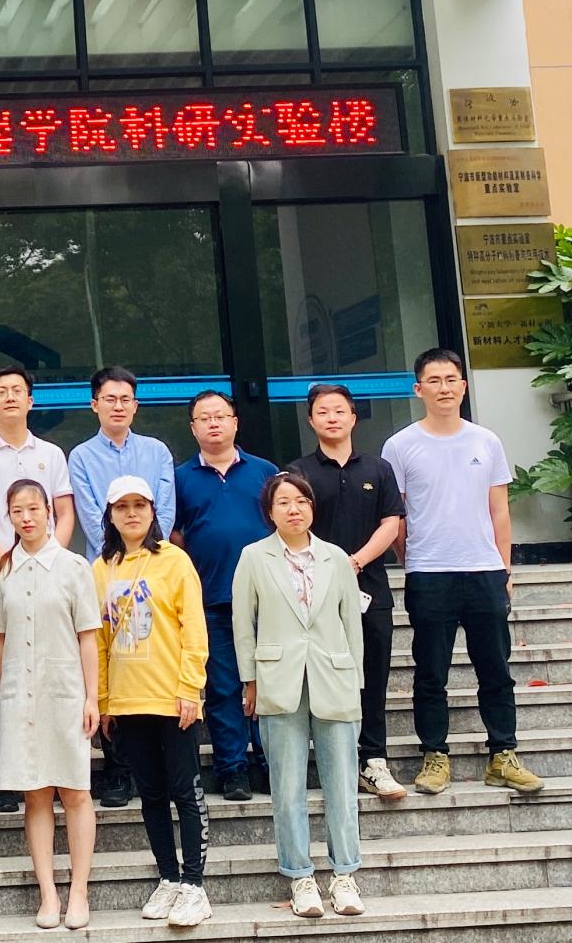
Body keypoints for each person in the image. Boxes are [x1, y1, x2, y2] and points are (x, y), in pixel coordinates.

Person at [385, 348, 543, 796]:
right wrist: (411, 560)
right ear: (418, 389)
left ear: (464, 386)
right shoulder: (400, 445)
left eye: (451, 379)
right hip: (429, 573)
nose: (444, 388)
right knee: (430, 672)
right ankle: (435, 756)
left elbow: (499, 510)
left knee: (495, 668)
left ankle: (503, 755)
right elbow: (398, 517)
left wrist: (503, 567)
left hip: (484, 571)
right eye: (434, 381)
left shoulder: (486, 441)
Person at [232, 471, 368, 920]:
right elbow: (242, 624)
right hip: (278, 681)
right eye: (284, 502)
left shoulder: (336, 558)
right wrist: (250, 680)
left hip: (334, 677)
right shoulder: (254, 557)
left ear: (312, 506)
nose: (294, 509)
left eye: (302, 501)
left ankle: (344, 875)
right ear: (269, 511)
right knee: (287, 787)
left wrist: (356, 680)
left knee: (342, 784)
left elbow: (352, 625)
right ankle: (300, 877)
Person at [94, 476, 212, 930]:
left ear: (152, 511)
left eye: (139, 505)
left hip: (172, 697)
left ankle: (195, 885)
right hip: (127, 700)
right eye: (121, 507)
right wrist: (104, 699)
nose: (131, 513)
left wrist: (190, 687)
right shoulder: (101, 568)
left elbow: (194, 629)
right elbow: (99, 641)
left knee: (186, 791)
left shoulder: (174, 560)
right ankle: (168, 877)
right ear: (110, 515)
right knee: (151, 795)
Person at [0, 366, 75, 815]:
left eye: (17, 390)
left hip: (51, 580)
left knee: (53, 675)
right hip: (1, 578)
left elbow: (64, 512)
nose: (10, 397)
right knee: (4, 678)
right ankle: (7, 780)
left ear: (30, 400)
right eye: (1, 392)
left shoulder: (51, 453)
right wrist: (10, 562)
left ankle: (58, 772)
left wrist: (49, 559)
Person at [284, 384, 408, 800]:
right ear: (311, 420)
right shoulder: (298, 473)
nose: (332, 418)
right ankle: (335, 760)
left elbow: (391, 523)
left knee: (372, 673)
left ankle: (373, 760)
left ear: (353, 417)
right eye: (323, 411)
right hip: (312, 591)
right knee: (322, 676)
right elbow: (291, 526)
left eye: (339, 410)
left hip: (369, 587)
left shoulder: (378, 468)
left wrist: (353, 563)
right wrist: (329, 569)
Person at [0, 480, 99, 930]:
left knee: (74, 791)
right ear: (9, 517)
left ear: (50, 511)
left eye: (34, 508)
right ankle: (48, 894)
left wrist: (92, 697)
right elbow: (0, 641)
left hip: (65, 691)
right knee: (34, 794)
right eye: (17, 511)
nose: (27, 517)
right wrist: (6, 695)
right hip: (21, 695)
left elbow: (88, 637)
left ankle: (79, 891)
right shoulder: (2, 571)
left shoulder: (74, 567)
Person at [65, 365, 174, 810]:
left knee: (152, 659)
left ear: (135, 405)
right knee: (108, 660)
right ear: (95, 405)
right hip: (106, 569)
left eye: (125, 399)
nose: (118, 406)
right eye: (109, 399)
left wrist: (147, 549)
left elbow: (164, 508)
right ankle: (118, 769)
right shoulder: (81, 457)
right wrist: (120, 547)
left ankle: (158, 764)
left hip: (156, 569)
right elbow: (93, 514)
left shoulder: (157, 451)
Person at [171, 389, 279, 802]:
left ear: (235, 422)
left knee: (268, 684)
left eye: (221, 415)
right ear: (193, 428)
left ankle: (270, 762)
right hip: (210, 598)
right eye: (205, 418)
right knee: (222, 688)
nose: (214, 423)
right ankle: (232, 769)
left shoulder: (265, 471)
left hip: (266, 599)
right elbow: (174, 534)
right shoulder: (180, 478)